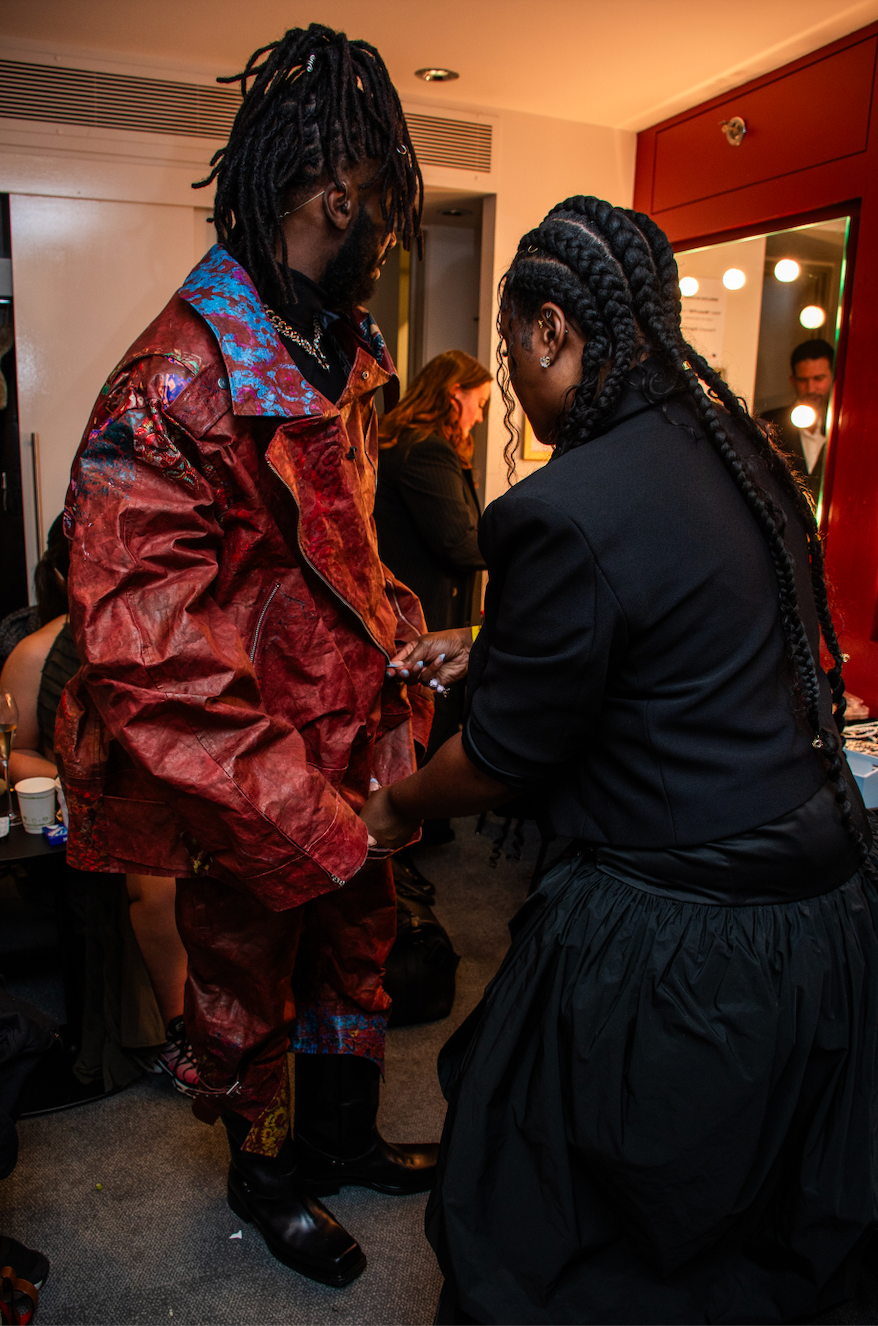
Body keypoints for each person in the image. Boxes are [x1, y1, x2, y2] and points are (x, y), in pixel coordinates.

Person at [363, 197, 878, 1324]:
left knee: (551, 1227)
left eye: (513, 353)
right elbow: (675, 622)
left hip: (685, 940)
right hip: (820, 916)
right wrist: (495, 641)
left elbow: (499, 761)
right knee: (757, 1243)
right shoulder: (737, 449)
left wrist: (394, 807)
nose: (516, 387)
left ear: (552, 330)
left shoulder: (564, 505)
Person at [56, 23, 438, 1290]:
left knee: (353, 955)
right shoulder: (173, 380)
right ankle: (263, 1179)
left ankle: (340, 1141)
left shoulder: (334, 347)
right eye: (387, 203)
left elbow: (332, 548)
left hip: (345, 738)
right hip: (251, 773)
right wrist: (293, 801)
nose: (391, 234)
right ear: (338, 195)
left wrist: (399, 630)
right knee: (247, 984)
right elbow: (149, 651)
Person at [0, 518, 196, 1094]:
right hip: (75, 818)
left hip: (167, 804)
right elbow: (13, 754)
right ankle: (178, 1030)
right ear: (68, 575)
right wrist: (83, 782)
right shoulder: (36, 652)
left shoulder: (163, 635)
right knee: (153, 871)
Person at [376, 350, 489, 844]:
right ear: (453, 394)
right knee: (425, 723)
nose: (481, 415)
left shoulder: (419, 443)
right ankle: (407, 834)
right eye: (479, 402)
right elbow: (458, 541)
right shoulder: (426, 449)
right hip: (427, 611)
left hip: (421, 608)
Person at [761, 337, 834, 502]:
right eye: (803, 380)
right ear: (793, 380)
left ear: (833, 376)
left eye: (819, 378)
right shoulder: (769, 423)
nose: (811, 389)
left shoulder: (846, 429)